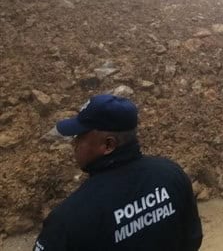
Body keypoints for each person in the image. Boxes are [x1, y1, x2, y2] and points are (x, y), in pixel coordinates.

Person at [33, 94, 203, 251]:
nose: (74, 143)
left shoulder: (67, 220)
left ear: (108, 145)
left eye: (80, 136)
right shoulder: (171, 174)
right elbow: (192, 239)